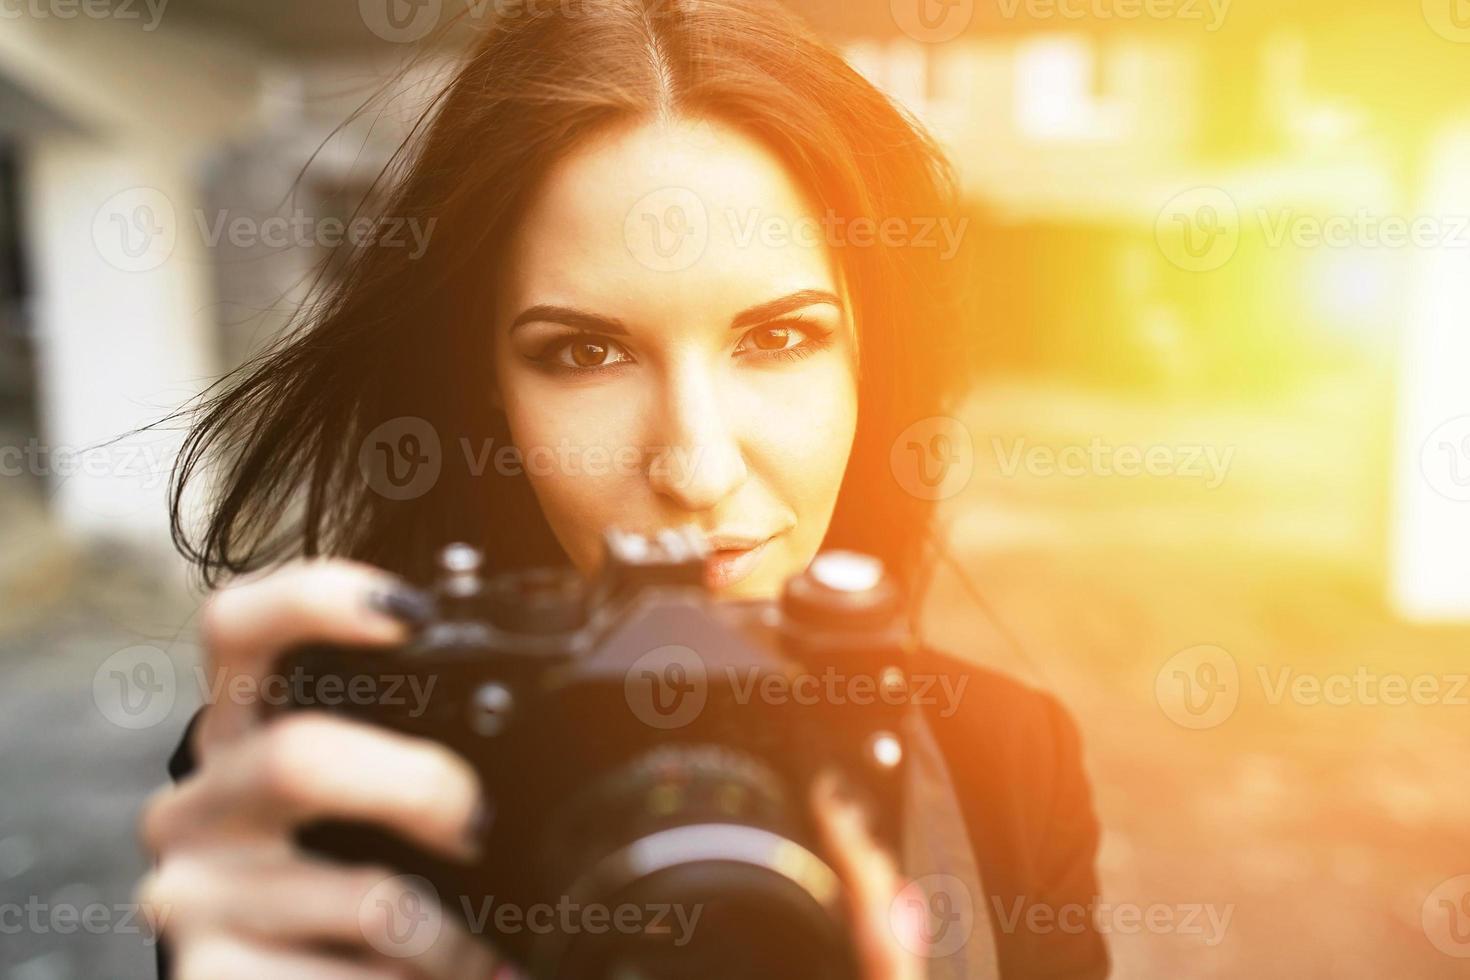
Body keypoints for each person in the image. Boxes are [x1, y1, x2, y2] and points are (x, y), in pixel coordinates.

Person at [136, 1, 1109, 976]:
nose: (694, 466)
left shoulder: (1009, 762)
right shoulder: (321, 777)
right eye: (586, 352)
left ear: (871, 361)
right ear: (488, 389)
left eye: (778, 338)